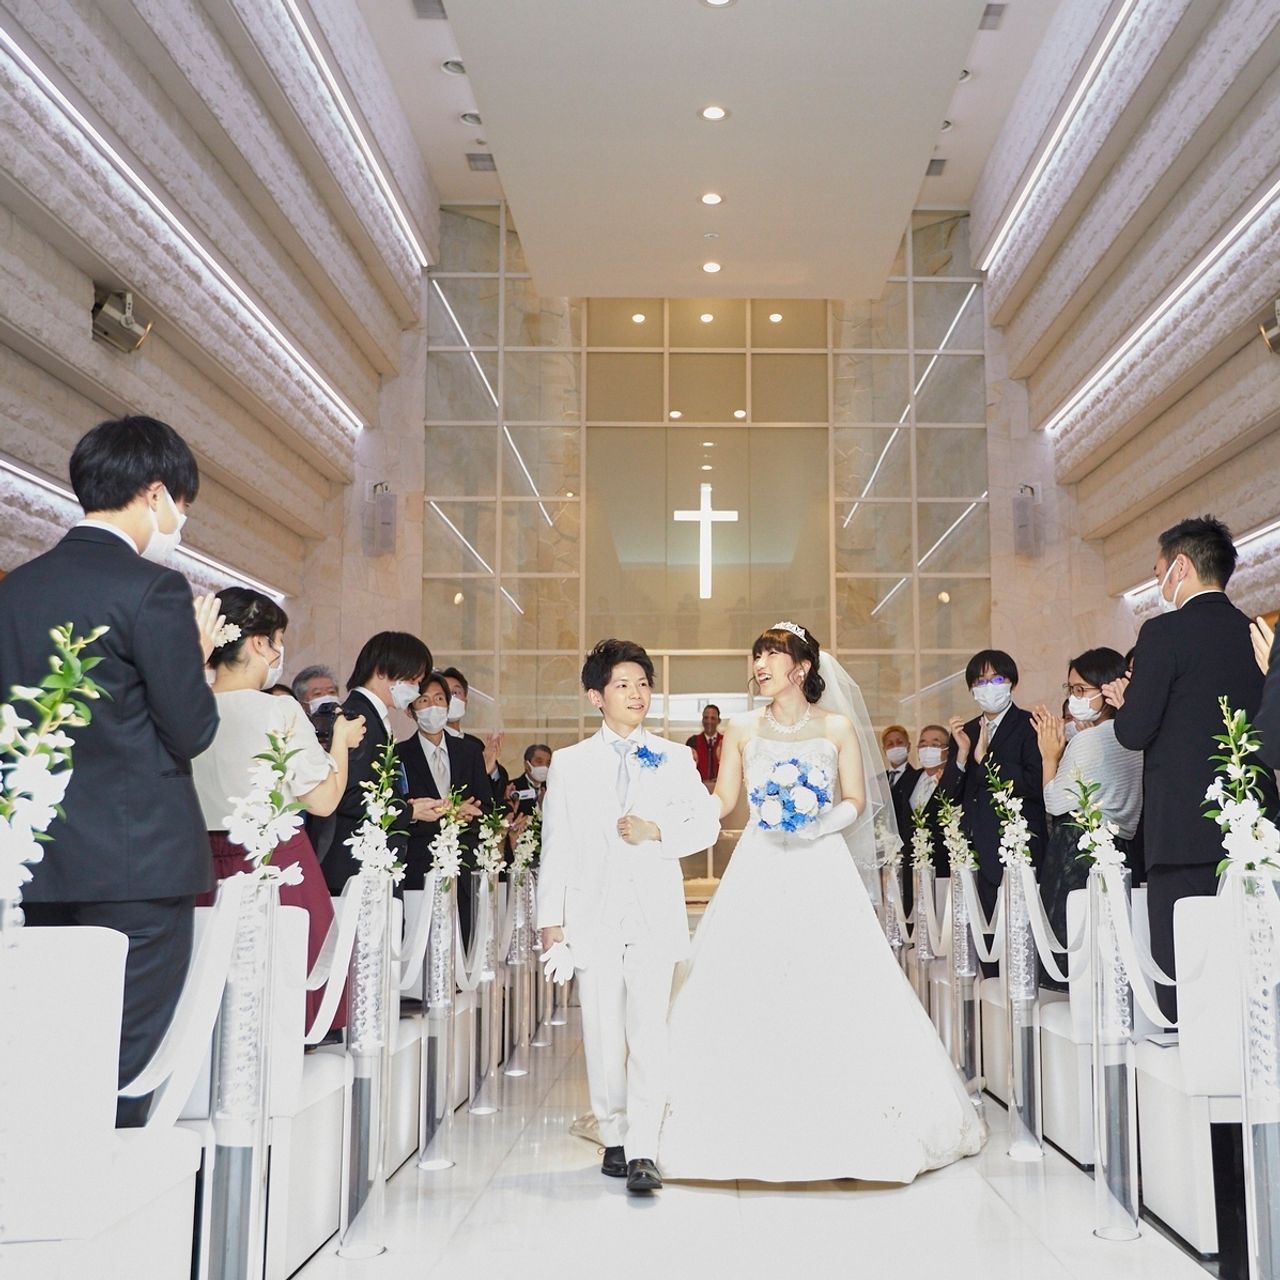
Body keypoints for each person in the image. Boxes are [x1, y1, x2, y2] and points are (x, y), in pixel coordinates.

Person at [660, 622, 984, 1183]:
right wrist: (682, 813)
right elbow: (726, 798)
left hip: (820, 862)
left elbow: (855, 798)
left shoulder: (836, 727)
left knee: (835, 973)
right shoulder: (741, 727)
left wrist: (820, 822)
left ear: (803, 667)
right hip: (760, 862)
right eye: (756, 655)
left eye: (771, 654)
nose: (759, 664)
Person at [0, 415, 222, 1126]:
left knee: (48, 1050)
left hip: (37, 861)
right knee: (124, 1059)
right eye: (180, 505)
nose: (179, 521)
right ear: (154, 493)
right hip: (140, 862)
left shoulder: (16, 590)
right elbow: (191, 729)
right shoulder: (155, 590)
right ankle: (109, 1181)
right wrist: (197, 662)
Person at [536, 640, 719, 1194]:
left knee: (649, 1032)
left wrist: (657, 831)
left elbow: (706, 826)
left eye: (643, 684)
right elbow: (556, 846)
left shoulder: (674, 757)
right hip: (591, 915)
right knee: (601, 1031)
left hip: (653, 914)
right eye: (623, 685)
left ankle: (643, 1148)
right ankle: (613, 1133)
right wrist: (551, 923)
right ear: (597, 696)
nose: (637, 694)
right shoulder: (569, 764)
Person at [1105, 516, 1273, 1021]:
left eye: (1159, 573)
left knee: (1184, 976)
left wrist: (1127, 703)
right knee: (1251, 971)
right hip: (1254, 827)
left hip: (1181, 830)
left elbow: (1134, 730)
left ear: (1181, 567)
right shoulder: (1257, 631)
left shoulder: (1162, 633)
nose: (1159, 584)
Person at [192, 588, 367, 1032]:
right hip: (276, 862)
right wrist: (341, 743)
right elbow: (323, 800)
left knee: (212, 1006)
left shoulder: (187, 706)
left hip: (201, 866)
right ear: (259, 643)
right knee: (288, 1006)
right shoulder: (279, 708)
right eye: (278, 641)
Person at [1031, 649, 1143, 988]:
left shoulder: (1089, 739)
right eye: (1071, 690)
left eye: (1081, 690)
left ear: (1107, 689)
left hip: (1077, 853)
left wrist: (1049, 757)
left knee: (1071, 959)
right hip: (1121, 849)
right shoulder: (1136, 736)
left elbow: (1054, 801)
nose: (1074, 699)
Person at [317, 631, 432, 892]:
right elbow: (348, 794)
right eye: (411, 680)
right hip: (357, 863)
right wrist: (408, 812)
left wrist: (407, 807)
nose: (415, 690)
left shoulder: (374, 716)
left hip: (374, 860)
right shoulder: (357, 718)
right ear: (381, 670)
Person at [939, 649, 1047, 925]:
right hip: (974, 849)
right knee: (981, 933)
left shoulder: (1030, 726)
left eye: (997, 679)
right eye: (981, 681)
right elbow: (947, 797)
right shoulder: (966, 732)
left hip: (1017, 847)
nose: (989, 687)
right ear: (972, 689)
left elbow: (1035, 783)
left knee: (1018, 931)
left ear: (1011, 682)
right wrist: (963, 755)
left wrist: (985, 760)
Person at [396, 672, 488, 934]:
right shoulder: (400, 754)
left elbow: (486, 807)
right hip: (419, 869)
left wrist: (469, 815)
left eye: (439, 699)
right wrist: (446, 814)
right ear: (410, 711)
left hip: (463, 871)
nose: (433, 707)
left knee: (463, 944)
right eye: (424, 700)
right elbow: (399, 812)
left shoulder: (469, 752)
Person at [440, 665, 508, 800]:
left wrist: (492, 770)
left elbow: (493, 792)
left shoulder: (474, 744)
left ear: (465, 701)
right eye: (445, 694)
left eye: (456, 692)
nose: (451, 698)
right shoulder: (435, 741)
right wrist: (479, 773)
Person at [882, 723, 920, 912]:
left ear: (908, 746)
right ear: (884, 749)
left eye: (899, 742)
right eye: (890, 744)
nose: (895, 747)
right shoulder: (878, 780)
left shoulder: (918, 777)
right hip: (883, 850)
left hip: (908, 848)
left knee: (906, 900)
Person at [906, 724, 951, 874]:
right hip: (911, 866)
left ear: (947, 750)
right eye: (923, 744)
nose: (927, 749)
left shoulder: (954, 782)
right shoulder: (909, 779)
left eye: (935, 745)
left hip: (943, 867)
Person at [509, 743, 552, 818]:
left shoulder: (553, 788)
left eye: (548, 763)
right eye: (539, 762)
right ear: (527, 765)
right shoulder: (512, 788)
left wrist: (543, 807)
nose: (544, 767)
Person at [685, 704, 723, 785]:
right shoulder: (692, 742)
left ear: (719, 721)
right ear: (702, 720)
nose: (709, 721)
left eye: (713, 718)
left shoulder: (725, 742)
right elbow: (686, 769)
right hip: (698, 787)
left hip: (721, 788)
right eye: (706, 718)